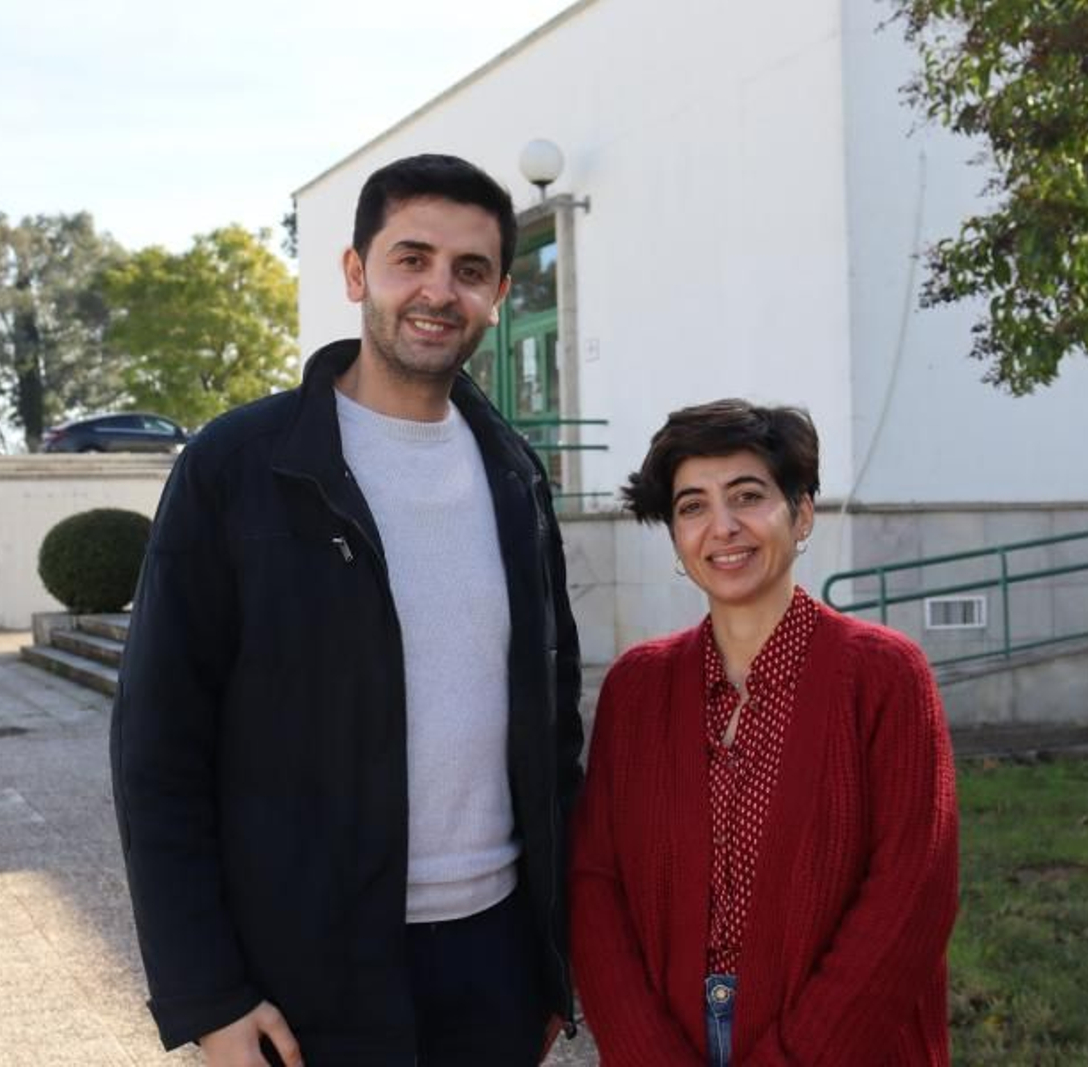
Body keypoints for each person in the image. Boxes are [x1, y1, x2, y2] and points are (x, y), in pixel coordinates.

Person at [111, 154, 584, 1066]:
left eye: (471, 270)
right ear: (357, 271)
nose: (439, 290)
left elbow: (552, 728)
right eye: (412, 258)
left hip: (493, 963)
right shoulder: (236, 468)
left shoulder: (515, 474)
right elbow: (157, 751)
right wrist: (209, 994)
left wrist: (548, 960)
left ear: (498, 296)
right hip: (304, 978)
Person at [570, 400, 958, 1065]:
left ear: (801, 513)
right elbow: (595, 882)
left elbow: (912, 893)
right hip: (674, 1043)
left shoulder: (885, 676)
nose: (722, 526)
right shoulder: (636, 688)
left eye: (747, 496)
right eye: (692, 506)